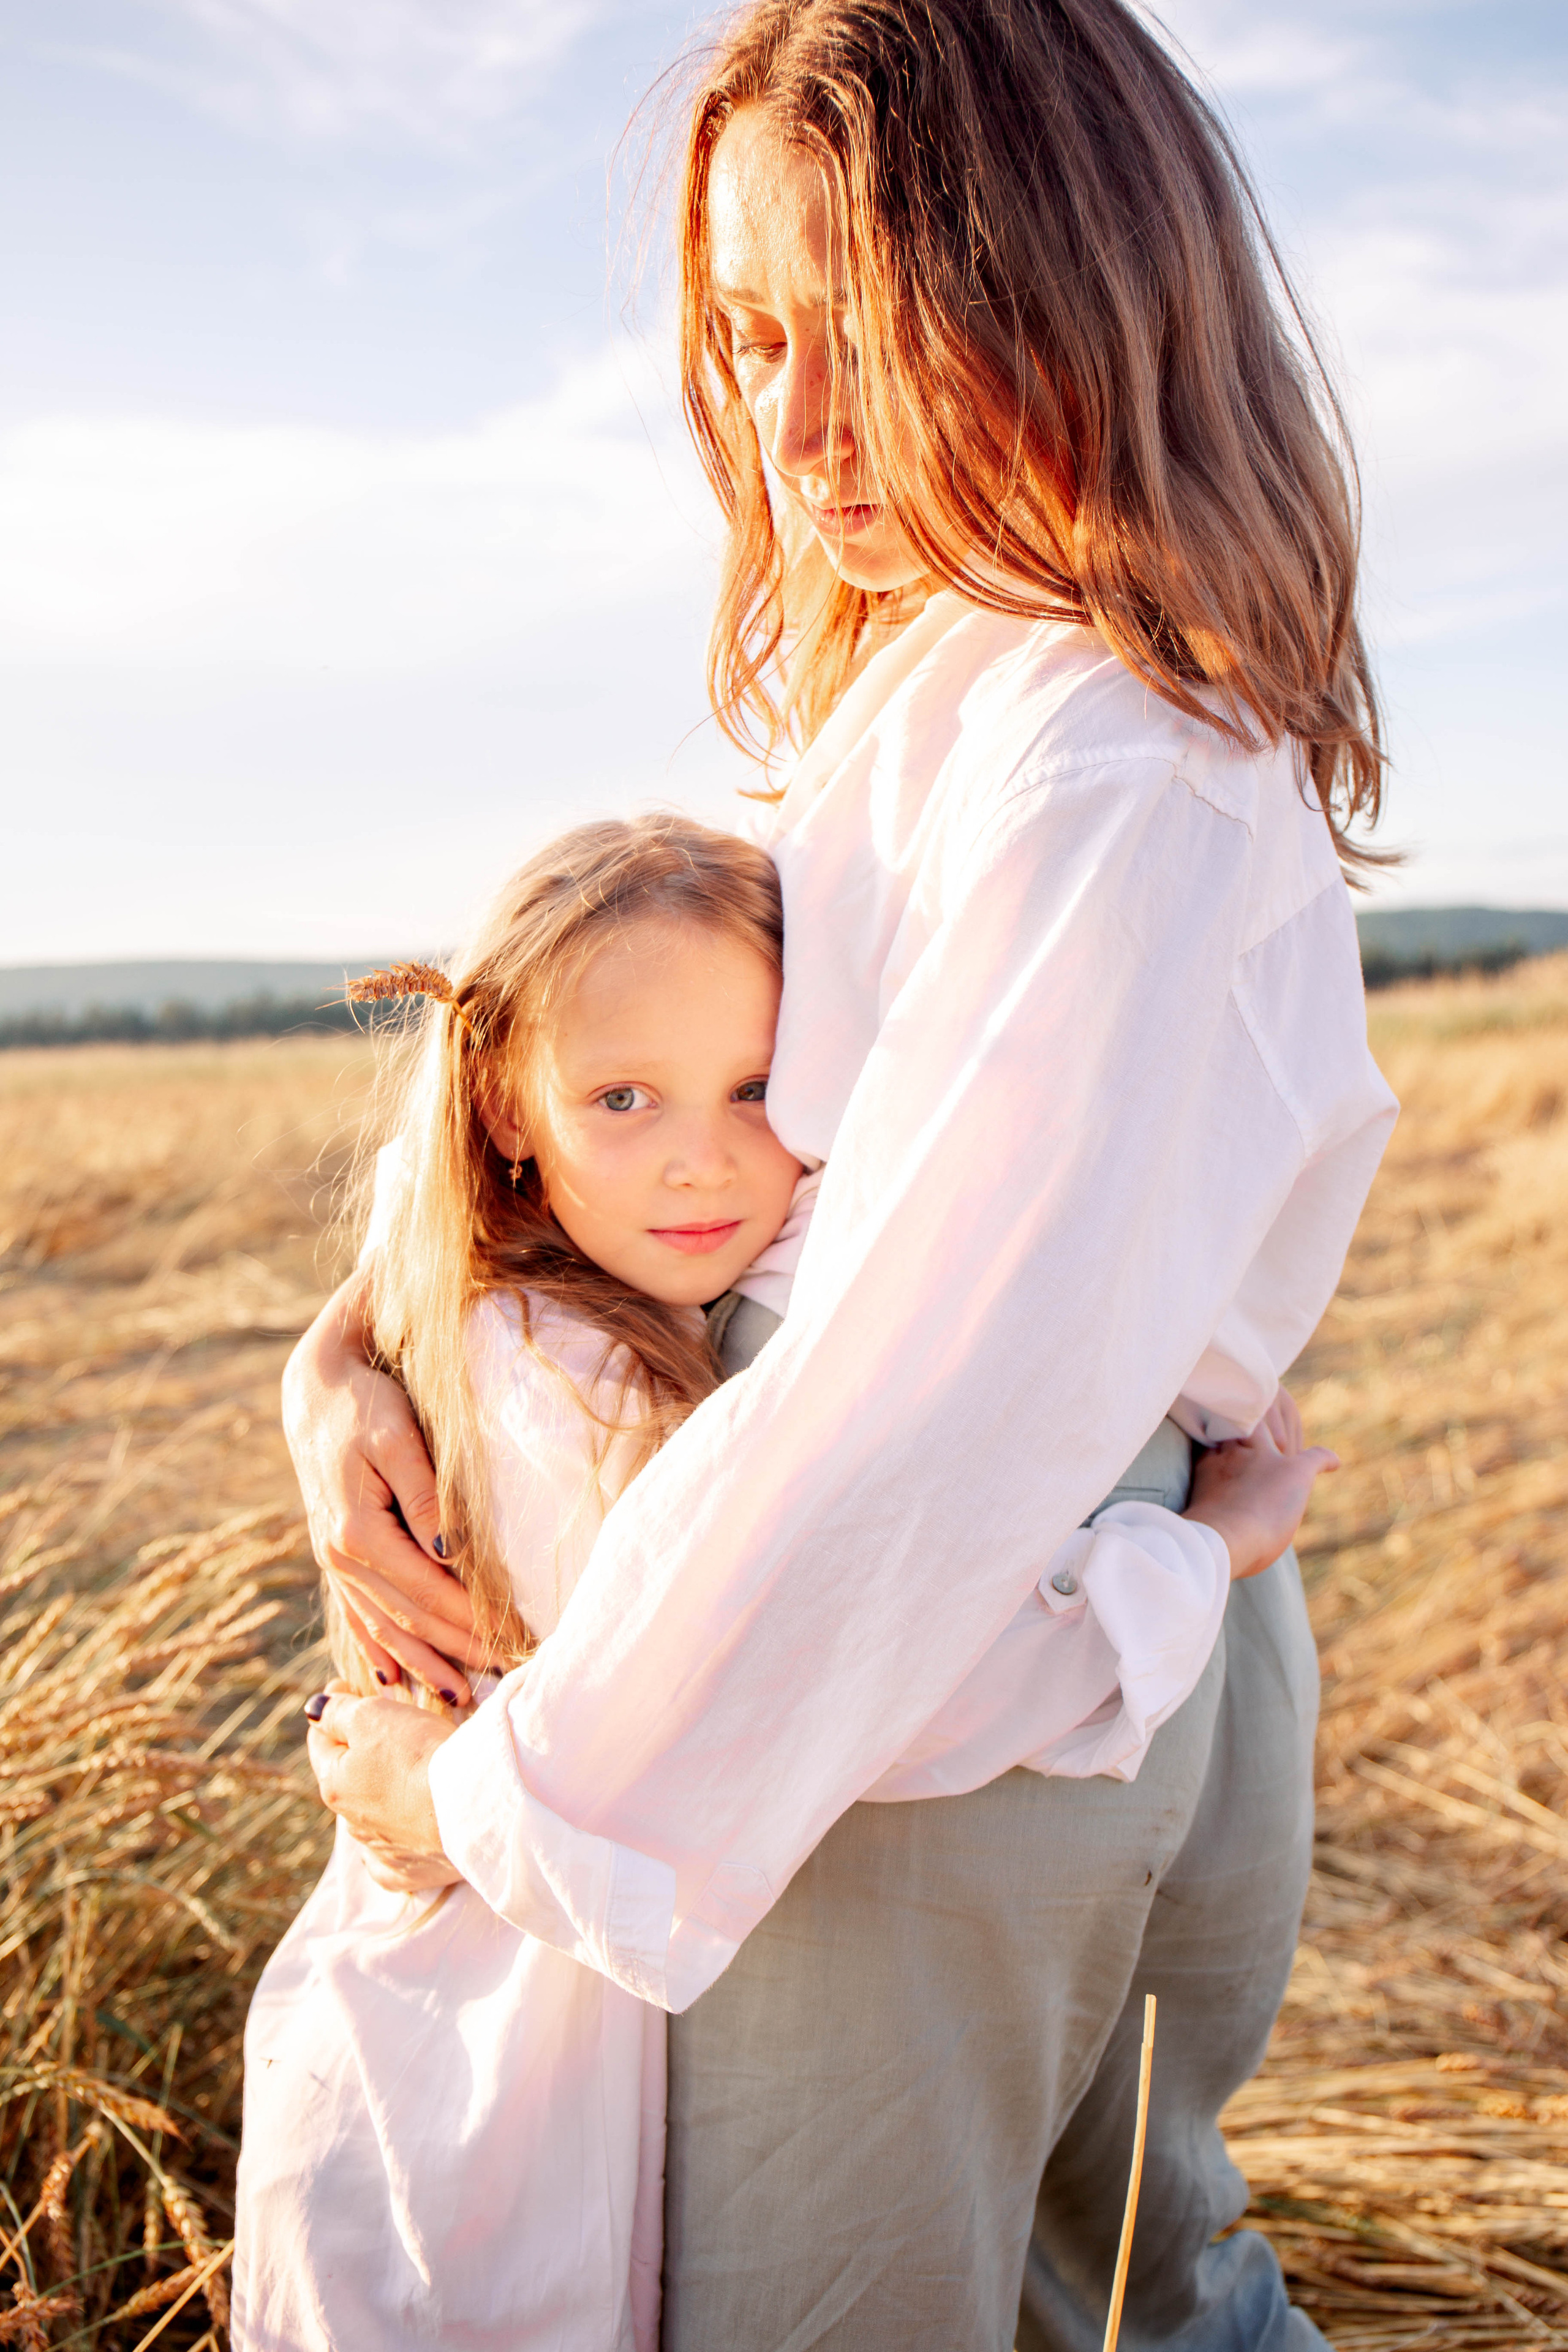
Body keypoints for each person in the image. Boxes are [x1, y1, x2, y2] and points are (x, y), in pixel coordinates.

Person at [287, 2, 1399, 2345]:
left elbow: (912, 1401)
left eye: (863, 337)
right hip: (995, 1616)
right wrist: (355, 1358)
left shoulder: (1112, 758)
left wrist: (472, 1802)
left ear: (1065, 296)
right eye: (749, 341)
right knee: (1117, 2291)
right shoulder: (990, 689)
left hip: (916, 1679)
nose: (790, 435)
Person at [236, 813, 1327, 2351]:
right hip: (489, 2080)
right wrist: (1212, 1544)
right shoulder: (563, 1384)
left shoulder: (646, 1268)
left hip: (565, 2010)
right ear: (503, 1108)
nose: (704, 1154)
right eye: (624, 1097)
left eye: (758, 1088)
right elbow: (903, 1702)